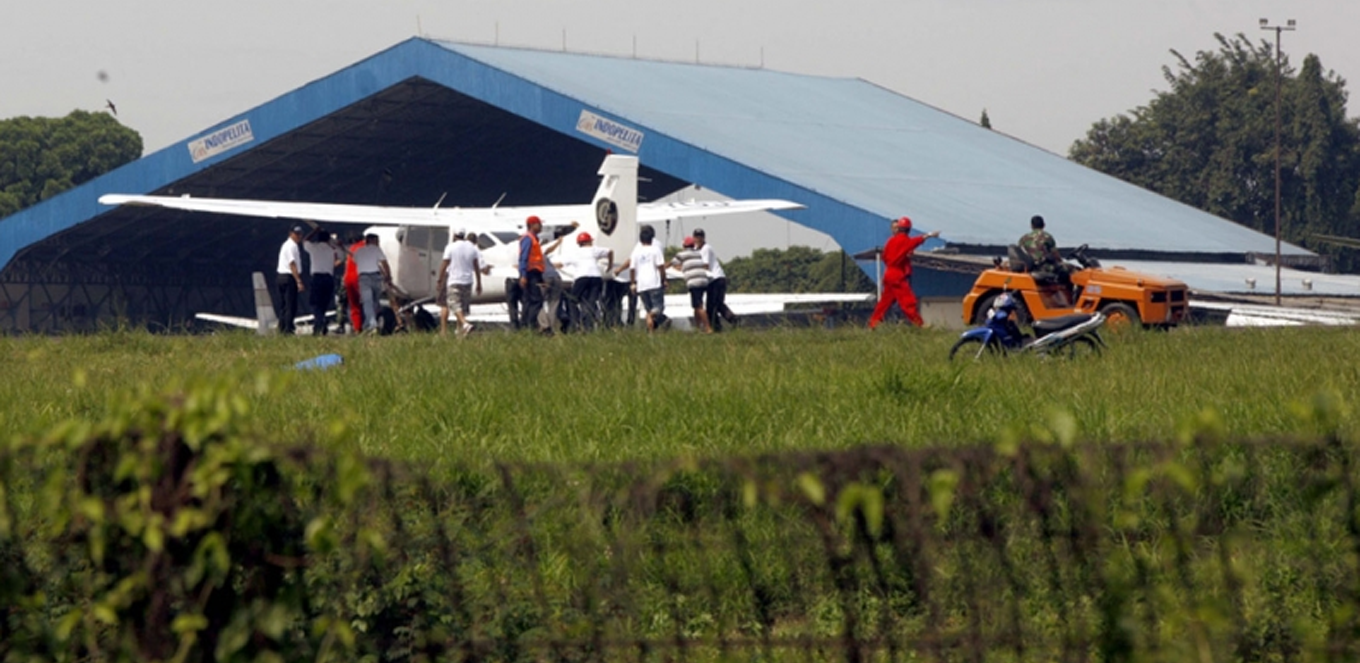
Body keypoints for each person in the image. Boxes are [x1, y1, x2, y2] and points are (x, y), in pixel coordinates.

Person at [868, 216, 940, 329]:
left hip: (888, 274)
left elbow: (885, 257)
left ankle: (873, 323)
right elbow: (918, 240)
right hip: (897, 276)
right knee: (908, 301)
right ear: (909, 229)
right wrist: (930, 234)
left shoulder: (890, 241)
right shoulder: (906, 241)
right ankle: (919, 324)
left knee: (884, 302)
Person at [614, 225, 667, 332]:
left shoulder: (636, 251)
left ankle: (652, 332)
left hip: (642, 284)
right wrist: (663, 279)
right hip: (654, 283)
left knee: (649, 309)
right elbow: (661, 266)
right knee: (658, 308)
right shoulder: (656, 248)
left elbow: (632, 268)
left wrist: (632, 283)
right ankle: (655, 318)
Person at [556, 231, 613, 331]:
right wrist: (610, 266)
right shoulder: (594, 250)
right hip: (596, 277)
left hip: (581, 277)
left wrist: (546, 266)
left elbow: (560, 264)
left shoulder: (575, 253)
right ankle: (588, 326)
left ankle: (575, 322)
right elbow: (610, 251)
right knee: (590, 303)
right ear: (590, 241)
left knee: (572, 300)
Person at [436, 228, 482, 337]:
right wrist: (479, 283)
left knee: (453, 304)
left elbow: (445, 264)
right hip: (468, 281)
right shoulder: (472, 248)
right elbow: (476, 266)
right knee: (462, 307)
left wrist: (440, 279)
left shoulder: (450, 247)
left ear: (455, 235)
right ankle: (460, 331)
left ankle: (465, 324)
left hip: (454, 279)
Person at [1018, 214, 1072, 300]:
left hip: (1030, 268)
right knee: (1070, 271)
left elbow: (1020, 254)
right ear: (1044, 225)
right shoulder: (1047, 237)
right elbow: (1055, 254)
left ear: (1031, 226)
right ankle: (1069, 297)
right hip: (1045, 267)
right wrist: (1061, 263)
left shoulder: (1024, 238)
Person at [692, 228, 736, 332]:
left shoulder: (706, 248)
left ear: (703, 238)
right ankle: (729, 321)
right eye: (696, 237)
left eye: (700, 237)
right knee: (716, 304)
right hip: (712, 280)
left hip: (716, 279)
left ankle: (720, 325)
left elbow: (705, 265)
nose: (698, 239)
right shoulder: (697, 249)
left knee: (713, 305)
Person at [302, 227, 342, 335]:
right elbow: (341, 254)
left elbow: (305, 241)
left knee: (315, 303)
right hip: (328, 278)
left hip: (317, 277)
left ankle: (319, 322)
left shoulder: (314, 248)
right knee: (324, 303)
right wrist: (335, 242)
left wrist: (314, 231)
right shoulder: (332, 249)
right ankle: (320, 323)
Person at [670, 236, 712, 333]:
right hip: (703, 280)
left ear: (684, 245)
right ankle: (698, 327)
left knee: (699, 306)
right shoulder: (697, 254)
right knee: (696, 306)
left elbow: (672, 263)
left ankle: (708, 328)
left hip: (694, 282)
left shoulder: (682, 254)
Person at [352, 233, 392, 333]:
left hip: (364, 277)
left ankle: (369, 323)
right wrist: (388, 276)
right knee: (375, 300)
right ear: (373, 241)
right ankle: (372, 323)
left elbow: (355, 261)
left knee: (367, 301)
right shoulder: (377, 250)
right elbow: (384, 263)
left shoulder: (358, 251)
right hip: (376, 276)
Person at [517, 216, 547, 332]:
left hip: (536, 273)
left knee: (530, 300)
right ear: (532, 225)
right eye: (538, 224)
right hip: (530, 273)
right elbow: (523, 257)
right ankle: (529, 325)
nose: (541, 226)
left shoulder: (534, 239)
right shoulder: (528, 239)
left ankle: (526, 325)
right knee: (535, 300)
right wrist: (523, 275)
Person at [274, 225, 306, 334]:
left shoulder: (286, 245)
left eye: (300, 234)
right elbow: (292, 264)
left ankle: (282, 327)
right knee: (290, 305)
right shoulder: (292, 246)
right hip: (288, 277)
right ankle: (288, 329)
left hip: (281, 276)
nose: (299, 236)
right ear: (290, 233)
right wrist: (298, 281)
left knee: (284, 305)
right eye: (296, 234)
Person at [342, 234, 366, 333]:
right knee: (367, 303)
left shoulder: (351, 249)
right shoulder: (364, 247)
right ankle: (368, 325)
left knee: (354, 304)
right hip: (359, 277)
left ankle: (357, 327)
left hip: (348, 277)